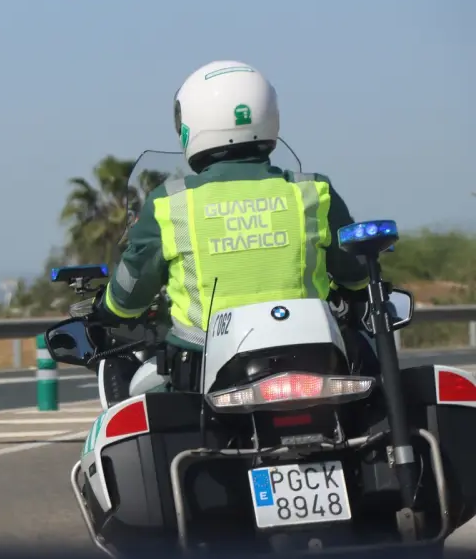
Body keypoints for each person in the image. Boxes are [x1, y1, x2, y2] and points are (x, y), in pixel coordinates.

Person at [90, 60, 374, 401]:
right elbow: (357, 276)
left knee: (145, 401)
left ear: (190, 124)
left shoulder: (170, 203)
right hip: (315, 361)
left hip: (201, 368)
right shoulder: (314, 191)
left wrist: (105, 310)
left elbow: (129, 293)